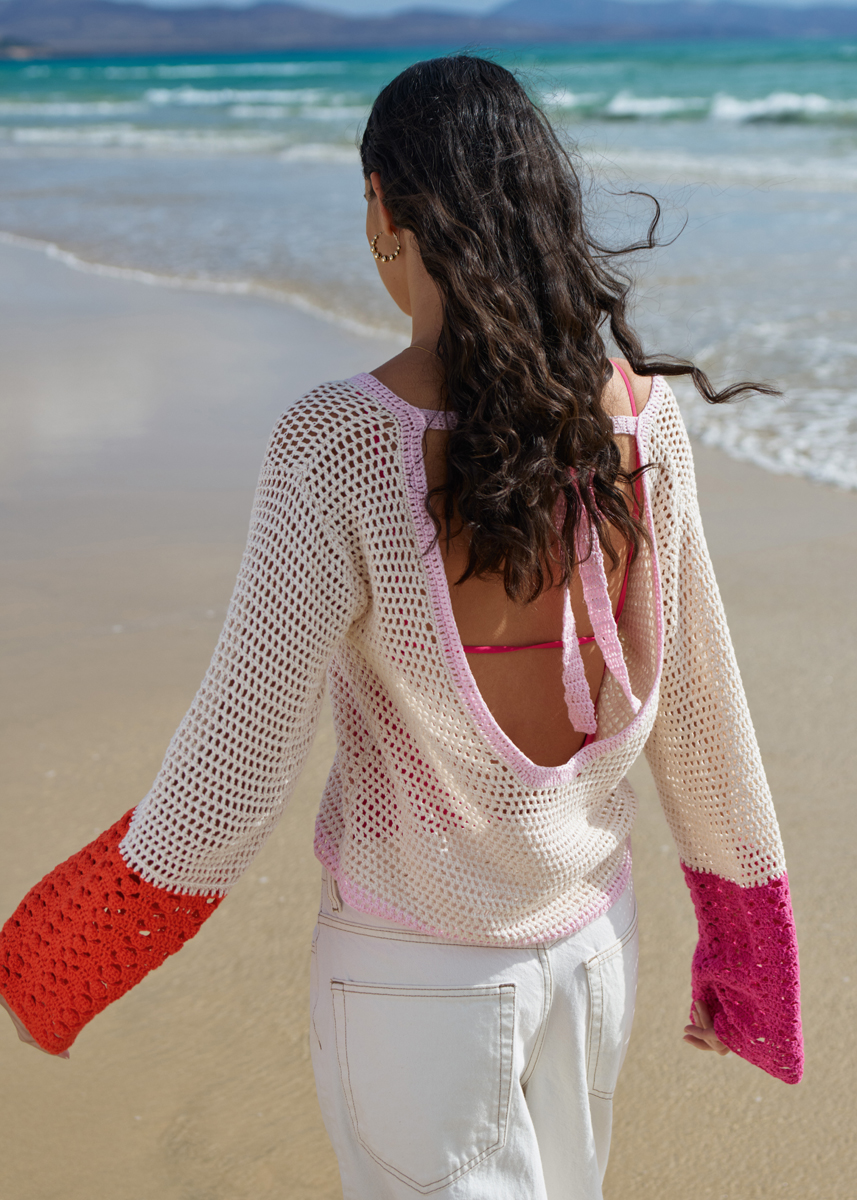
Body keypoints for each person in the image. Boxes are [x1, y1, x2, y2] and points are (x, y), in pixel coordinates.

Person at [1, 55, 802, 1200]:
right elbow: (703, 716)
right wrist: (745, 951)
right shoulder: (639, 423)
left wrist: (47, 965)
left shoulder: (341, 445)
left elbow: (230, 783)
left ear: (382, 208)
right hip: (593, 955)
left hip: (412, 986)